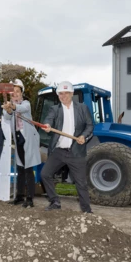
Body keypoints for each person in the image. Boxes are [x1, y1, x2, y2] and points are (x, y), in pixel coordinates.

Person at [41, 81, 94, 213]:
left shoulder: (82, 108)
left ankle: (87, 211)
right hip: (59, 151)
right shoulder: (55, 109)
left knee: (81, 183)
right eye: (60, 94)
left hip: (76, 152)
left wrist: (83, 136)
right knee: (45, 174)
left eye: (66, 93)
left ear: (72, 94)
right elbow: (48, 119)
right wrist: (47, 125)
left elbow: (89, 126)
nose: (63, 96)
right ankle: (55, 201)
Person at [2, 79, 41, 208]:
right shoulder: (11, 106)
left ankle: (29, 198)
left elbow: (22, 108)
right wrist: (8, 109)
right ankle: (19, 196)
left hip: (28, 137)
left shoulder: (26, 104)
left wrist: (12, 106)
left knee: (28, 168)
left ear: (21, 93)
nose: (15, 94)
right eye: (13, 92)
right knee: (20, 168)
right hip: (18, 137)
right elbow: (7, 117)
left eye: (17, 92)